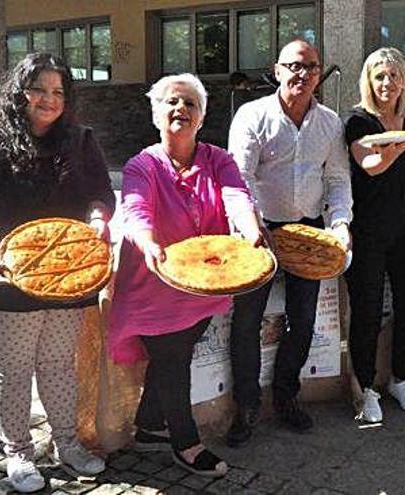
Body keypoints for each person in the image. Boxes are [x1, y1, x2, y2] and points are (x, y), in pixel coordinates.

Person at [0, 53, 112, 493]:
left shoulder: (80, 140)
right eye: (39, 88)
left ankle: (67, 444)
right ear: (20, 91)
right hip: (4, 276)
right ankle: (18, 453)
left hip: (67, 276)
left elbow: (100, 193)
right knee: (14, 369)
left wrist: (98, 220)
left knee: (59, 366)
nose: (49, 99)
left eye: (58, 91)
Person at [107, 73, 263, 476]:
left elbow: (236, 195)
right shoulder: (143, 164)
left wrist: (248, 228)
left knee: (176, 352)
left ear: (201, 116)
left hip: (203, 282)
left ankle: (147, 426)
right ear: (157, 114)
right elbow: (135, 209)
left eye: (190, 103)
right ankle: (186, 442)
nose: (181, 109)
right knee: (173, 360)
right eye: (172, 102)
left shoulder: (218, 159)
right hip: (152, 280)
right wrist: (147, 241)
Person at [225, 39, 353, 446]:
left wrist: (341, 224)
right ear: (277, 71)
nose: (302, 74)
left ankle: (285, 397)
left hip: (309, 232)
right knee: (247, 323)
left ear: (320, 73)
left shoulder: (330, 123)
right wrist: (252, 227)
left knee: (305, 320)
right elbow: (237, 180)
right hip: (257, 232)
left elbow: (336, 180)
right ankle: (246, 407)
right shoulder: (252, 115)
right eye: (294, 66)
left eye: (311, 67)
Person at [342, 47, 405, 423]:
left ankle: (402, 379)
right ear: (368, 81)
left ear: (403, 82)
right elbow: (372, 166)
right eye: (379, 76)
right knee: (367, 309)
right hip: (369, 229)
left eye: (393, 76)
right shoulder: (358, 122)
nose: (386, 83)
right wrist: (402, 144)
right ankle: (366, 389)